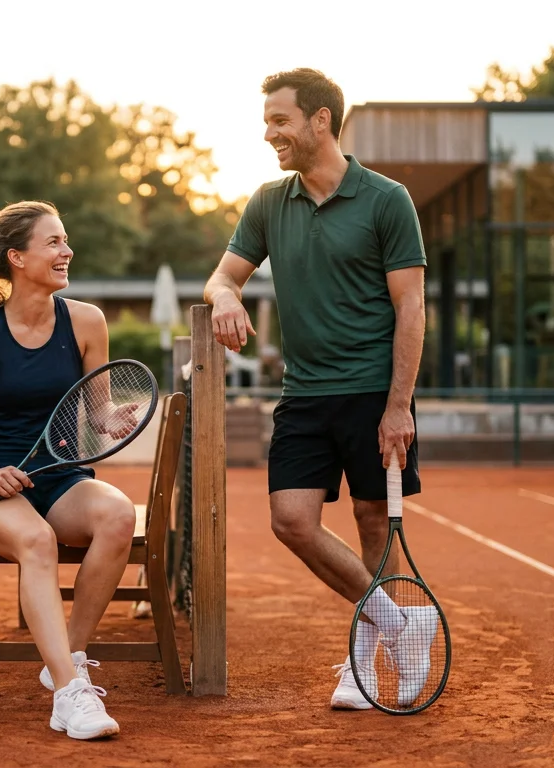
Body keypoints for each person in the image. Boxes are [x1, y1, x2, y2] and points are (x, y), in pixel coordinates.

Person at [203, 69, 436, 710]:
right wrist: (226, 298)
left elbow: (411, 308)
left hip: (373, 394)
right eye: (267, 122)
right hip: (303, 395)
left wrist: (397, 407)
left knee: (371, 523)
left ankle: (364, 672)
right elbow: (221, 277)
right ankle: (403, 627)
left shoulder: (387, 200)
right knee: (292, 521)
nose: (270, 134)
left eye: (280, 121)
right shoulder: (268, 202)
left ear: (321, 121)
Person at [0, 200, 135, 740]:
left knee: (118, 517)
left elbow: (96, 410)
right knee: (38, 541)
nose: (66, 251)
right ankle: (72, 695)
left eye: (65, 240)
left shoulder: (88, 321)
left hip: (62, 477)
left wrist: (114, 417)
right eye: (54, 242)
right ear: (17, 257)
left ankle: (64, 661)